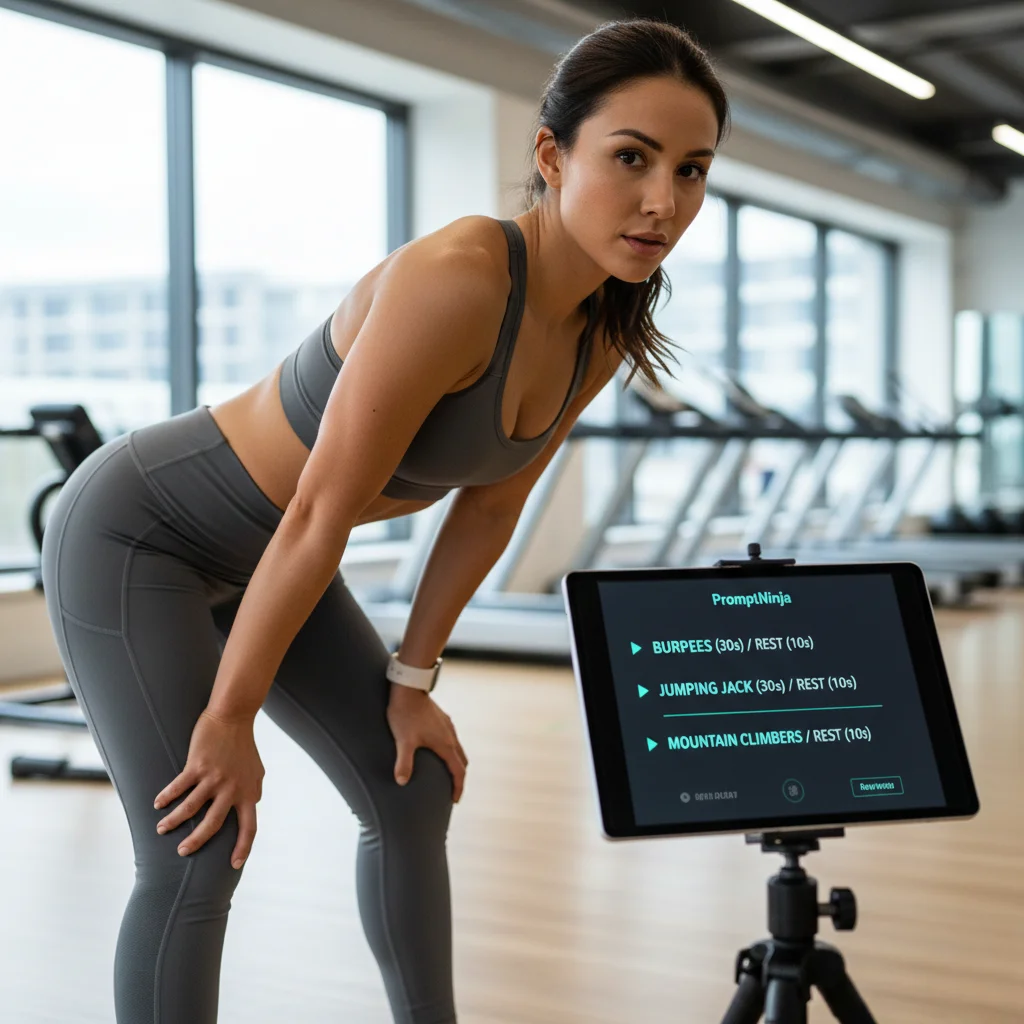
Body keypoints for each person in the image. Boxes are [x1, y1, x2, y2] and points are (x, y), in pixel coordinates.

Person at [39, 16, 729, 1024]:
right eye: (631, 156)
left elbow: (491, 505)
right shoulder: (458, 278)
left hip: (274, 559)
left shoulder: (603, 331)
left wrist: (412, 682)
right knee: (200, 843)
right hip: (143, 534)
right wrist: (228, 720)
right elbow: (319, 511)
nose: (663, 200)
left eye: (692, 170)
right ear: (552, 153)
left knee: (411, 788)